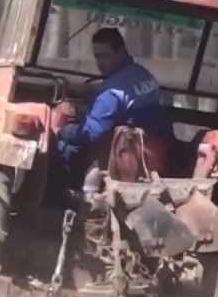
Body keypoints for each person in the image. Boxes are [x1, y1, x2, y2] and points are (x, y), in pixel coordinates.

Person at [55, 27, 173, 184]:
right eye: (97, 57)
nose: (100, 63)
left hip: (125, 154)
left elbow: (92, 134)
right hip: (154, 149)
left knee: (62, 148)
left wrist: (62, 131)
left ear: (121, 51)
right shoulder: (143, 75)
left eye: (105, 56)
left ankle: (64, 198)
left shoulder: (110, 94)